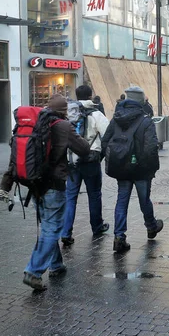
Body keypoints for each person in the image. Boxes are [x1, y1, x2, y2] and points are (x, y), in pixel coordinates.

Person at [23, 95, 90, 291]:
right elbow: (84, 149)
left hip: (35, 183)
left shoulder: (36, 123)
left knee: (47, 225)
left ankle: (56, 264)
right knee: (52, 229)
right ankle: (33, 271)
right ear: (63, 111)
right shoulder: (63, 126)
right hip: (54, 184)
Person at [101, 86, 163, 253]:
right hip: (141, 169)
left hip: (121, 167)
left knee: (122, 201)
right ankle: (151, 226)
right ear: (141, 101)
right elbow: (151, 147)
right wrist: (151, 168)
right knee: (144, 200)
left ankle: (119, 236)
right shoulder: (145, 120)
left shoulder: (116, 118)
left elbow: (105, 141)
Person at [60, 85, 110, 246]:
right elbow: (108, 135)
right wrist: (101, 154)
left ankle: (66, 232)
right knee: (94, 194)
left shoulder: (68, 113)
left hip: (72, 161)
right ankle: (96, 226)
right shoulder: (96, 114)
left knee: (70, 197)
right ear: (90, 96)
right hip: (91, 161)